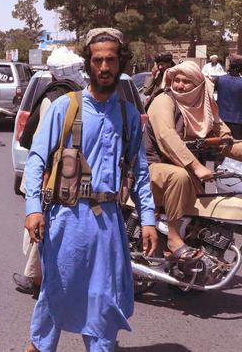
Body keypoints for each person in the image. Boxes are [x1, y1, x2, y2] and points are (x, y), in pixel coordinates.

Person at [23, 27, 158, 352]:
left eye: (111, 60)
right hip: (66, 220)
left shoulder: (128, 116)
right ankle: (39, 347)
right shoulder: (64, 108)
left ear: (121, 62)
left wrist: (149, 218)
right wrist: (33, 208)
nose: (104, 67)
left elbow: (138, 170)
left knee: (104, 296)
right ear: (89, 64)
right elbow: (37, 158)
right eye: (97, 60)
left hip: (109, 223)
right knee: (57, 291)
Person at [144, 61, 242, 262]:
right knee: (179, 176)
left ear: (198, 85)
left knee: (213, 205)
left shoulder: (206, 108)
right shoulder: (164, 100)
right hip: (151, 168)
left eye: (186, 82)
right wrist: (197, 167)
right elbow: (167, 137)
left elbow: (227, 143)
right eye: (177, 80)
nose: (179, 85)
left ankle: (202, 250)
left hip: (187, 172)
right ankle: (173, 237)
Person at [12, 46, 85, 295]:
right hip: (52, 173)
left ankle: (37, 277)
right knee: (43, 221)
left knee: (50, 225)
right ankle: (37, 276)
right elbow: (43, 144)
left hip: (65, 174)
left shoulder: (72, 95)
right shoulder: (55, 99)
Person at [214, 55, 242, 139]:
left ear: (230, 66)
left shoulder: (219, 80)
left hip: (221, 122)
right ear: (241, 67)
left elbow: (209, 94)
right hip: (239, 123)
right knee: (238, 147)